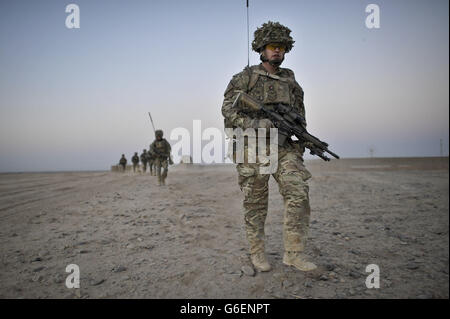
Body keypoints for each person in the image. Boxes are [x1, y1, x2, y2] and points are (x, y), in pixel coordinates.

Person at [221, 21, 317, 272]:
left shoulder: (290, 81)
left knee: (298, 192)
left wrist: (303, 139)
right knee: (255, 202)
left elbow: (299, 115)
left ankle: (294, 254)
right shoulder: (246, 77)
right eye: (273, 47)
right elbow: (228, 110)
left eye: (282, 48)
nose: (277, 52)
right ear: (261, 49)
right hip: (252, 148)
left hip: (284, 147)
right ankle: (257, 253)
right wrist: (257, 123)